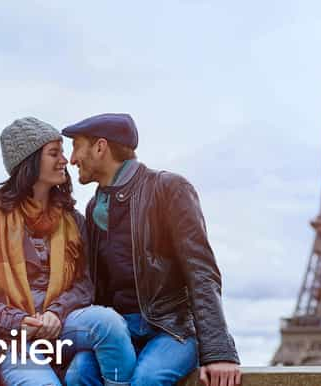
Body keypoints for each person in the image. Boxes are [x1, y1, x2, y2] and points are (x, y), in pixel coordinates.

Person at [61, 113, 241, 386]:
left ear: (100, 147)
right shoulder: (94, 207)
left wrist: (218, 351)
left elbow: (202, 272)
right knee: (78, 374)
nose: (72, 159)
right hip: (121, 332)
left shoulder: (168, 188)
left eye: (76, 147)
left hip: (171, 330)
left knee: (146, 380)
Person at [0, 117, 136, 386]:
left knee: (108, 324)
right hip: (9, 338)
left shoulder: (73, 221)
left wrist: (55, 313)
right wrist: (20, 321)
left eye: (62, 151)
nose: (65, 160)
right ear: (28, 163)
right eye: (54, 153)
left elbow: (84, 284)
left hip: (60, 325)